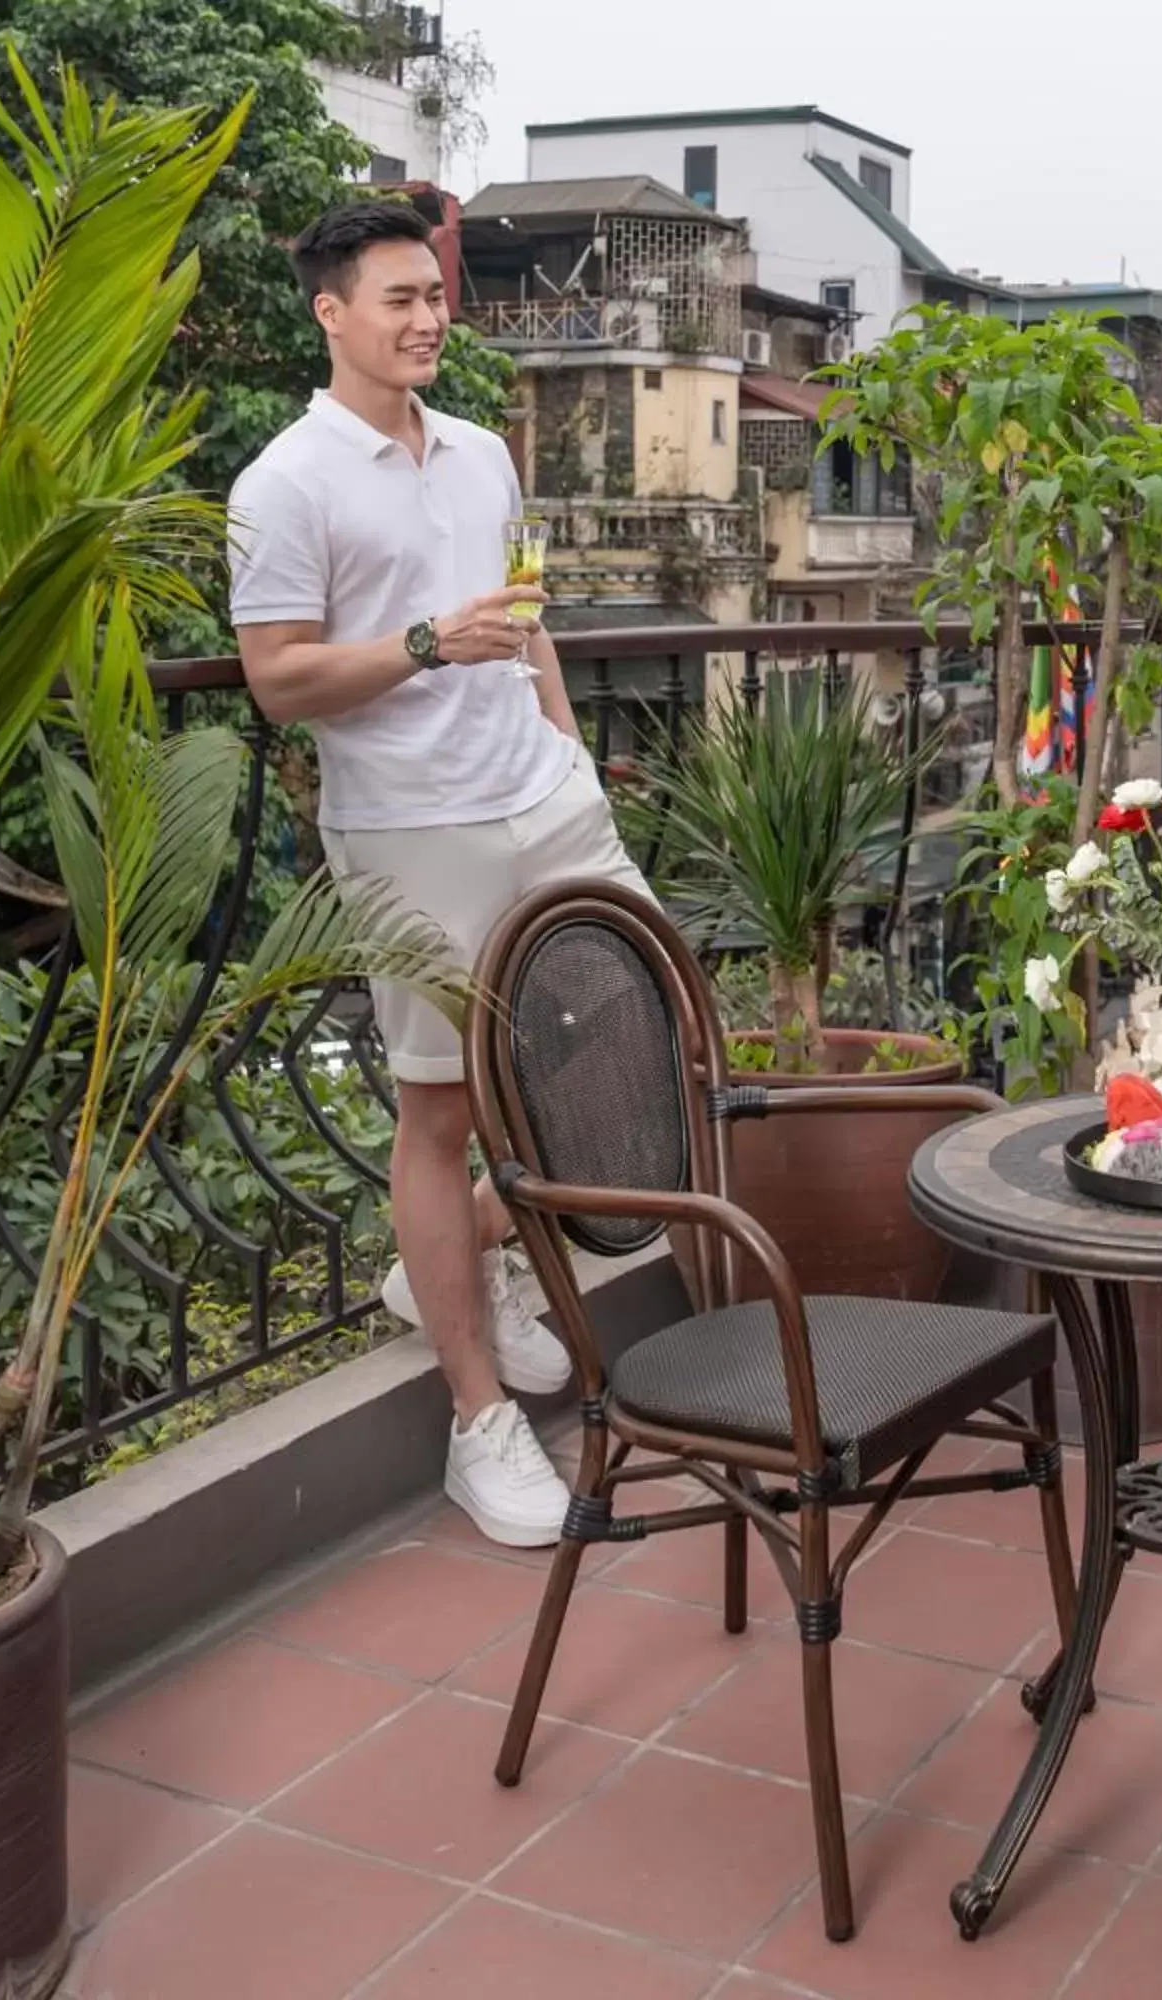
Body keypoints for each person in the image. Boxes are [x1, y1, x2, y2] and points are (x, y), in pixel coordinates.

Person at [228, 201, 650, 1548]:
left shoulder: (480, 453)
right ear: (331, 313)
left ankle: (460, 1257)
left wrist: (569, 755)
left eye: (434, 296)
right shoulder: (283, 482)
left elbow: (527, 624)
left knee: (636, 1045)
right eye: (399, 298)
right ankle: (480, 1421)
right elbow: (280, 680)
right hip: (413, 826)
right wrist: (423, 641)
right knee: (443, 1111)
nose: (427, 318)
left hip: (545, 797)